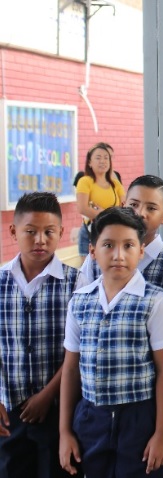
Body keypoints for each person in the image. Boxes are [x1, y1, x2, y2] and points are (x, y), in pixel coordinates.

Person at [59, 207, 163, 477]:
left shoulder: (154, 301)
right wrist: (65, 431)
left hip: (139, 419)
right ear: (92, 251)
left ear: (141, 251)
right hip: (91, 418)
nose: (118, 255)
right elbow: (70, 368)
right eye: (108, 245)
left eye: (128, 246)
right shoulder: (80, 301)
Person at [0, 193, 76, 478]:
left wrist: (47, 394)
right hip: (8, 412)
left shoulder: (76, 283)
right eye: (30, 232)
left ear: (61, 232)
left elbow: (77, 350)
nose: (40, 240)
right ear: (13, 232)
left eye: (49, 232)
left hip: (58, 410)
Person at [77, 175, 163, 310]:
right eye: (134, 205)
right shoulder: (99, 253)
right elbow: (80, 302)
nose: (140, 213)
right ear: (123, 206)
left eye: (151, 208)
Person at [75, 142, 125, 260]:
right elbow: (82, 208)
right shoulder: (85, 181)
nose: (103, 161)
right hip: (90, 233)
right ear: (89, 162)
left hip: (112, 232)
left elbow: (125, 207)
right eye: (98, 158)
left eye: (106, 158)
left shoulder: (115, 184)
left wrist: (104, 214)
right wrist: (109, 214)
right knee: (89, 270)